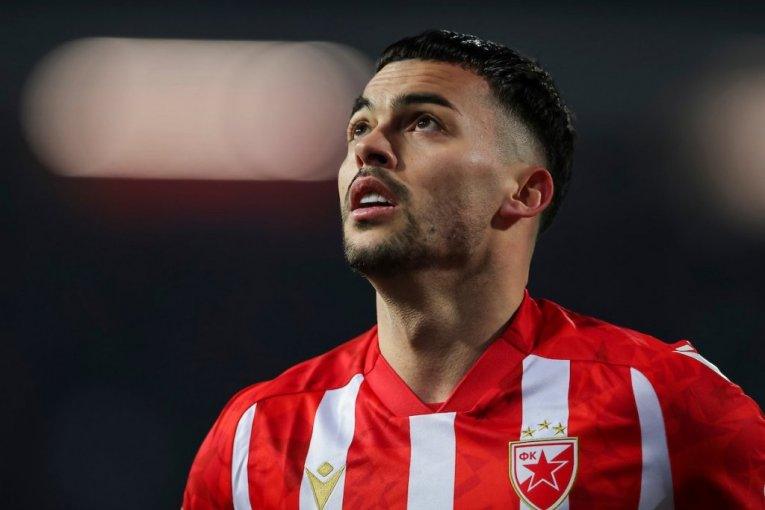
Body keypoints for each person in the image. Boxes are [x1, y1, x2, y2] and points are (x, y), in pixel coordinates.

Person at [182, 30, 764, 509]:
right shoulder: (258, 438)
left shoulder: (667, 403)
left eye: (424, 123)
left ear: (525, 193)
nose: (369, 148)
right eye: (359, 127)